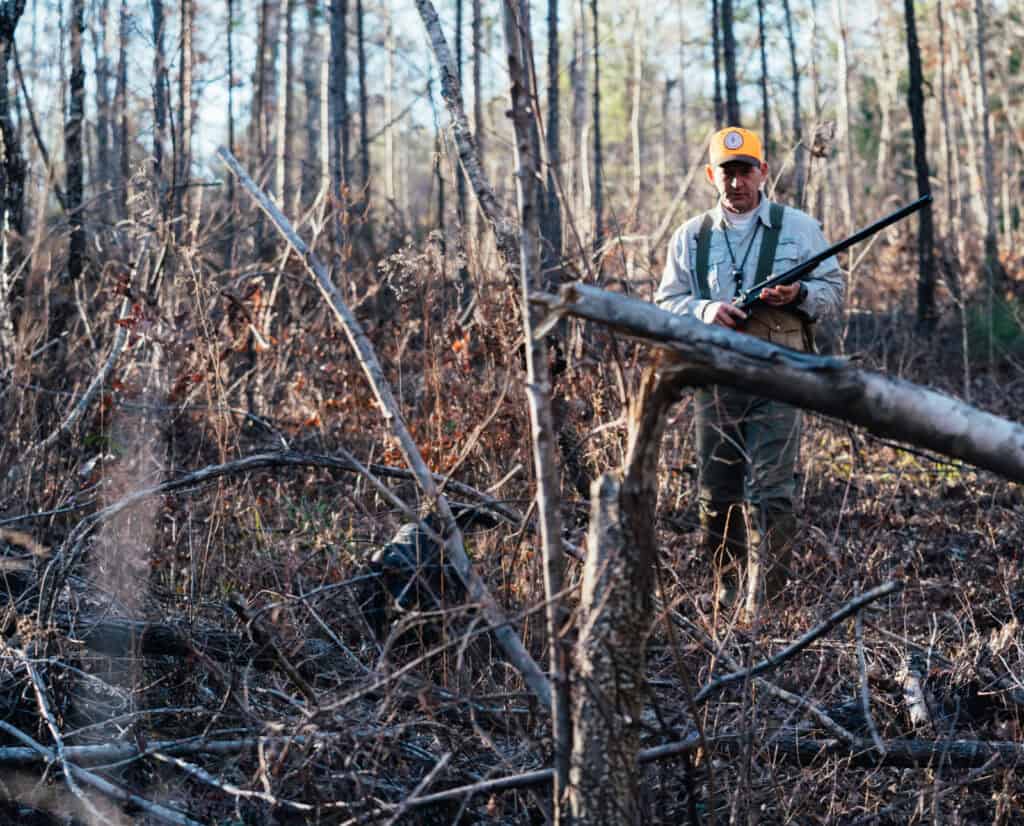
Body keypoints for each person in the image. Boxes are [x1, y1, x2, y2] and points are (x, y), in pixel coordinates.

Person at [655, 126, 844, 614]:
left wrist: (798, 295)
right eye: (727, 172)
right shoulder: (690, 236)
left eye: (746, 171)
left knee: (772, 493)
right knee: (716, 493)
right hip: (716, 376)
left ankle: (770, 602)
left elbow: (833, 291)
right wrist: (704, 311)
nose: (737, 182)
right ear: (710, 176)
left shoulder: (799, 228)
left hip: (780, 374)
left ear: (763, 171)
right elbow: (666, 303)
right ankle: (728, 590)